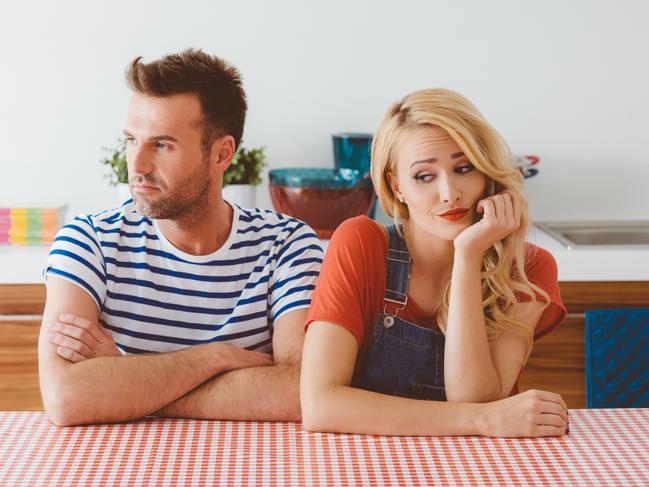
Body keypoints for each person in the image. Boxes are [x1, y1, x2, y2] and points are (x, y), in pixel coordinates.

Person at [38, 49, 323, 426]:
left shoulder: (287, 246)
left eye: (162, 145)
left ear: (221, 155)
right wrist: (215, 357)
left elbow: (301, 393)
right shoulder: (89, 241)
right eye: (130, 140)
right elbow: (66, 397)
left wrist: (124, 381)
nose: (136, 165)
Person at [300, 88, 569, 437]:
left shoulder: (527, 269)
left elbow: (473, 397)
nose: (449, 193)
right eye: (424, 176)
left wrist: (468, 257)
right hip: (370, 464)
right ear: (396, 187)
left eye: (464, 167)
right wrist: (482, 420)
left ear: (486, 172)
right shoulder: (360, 243)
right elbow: (321, 406)